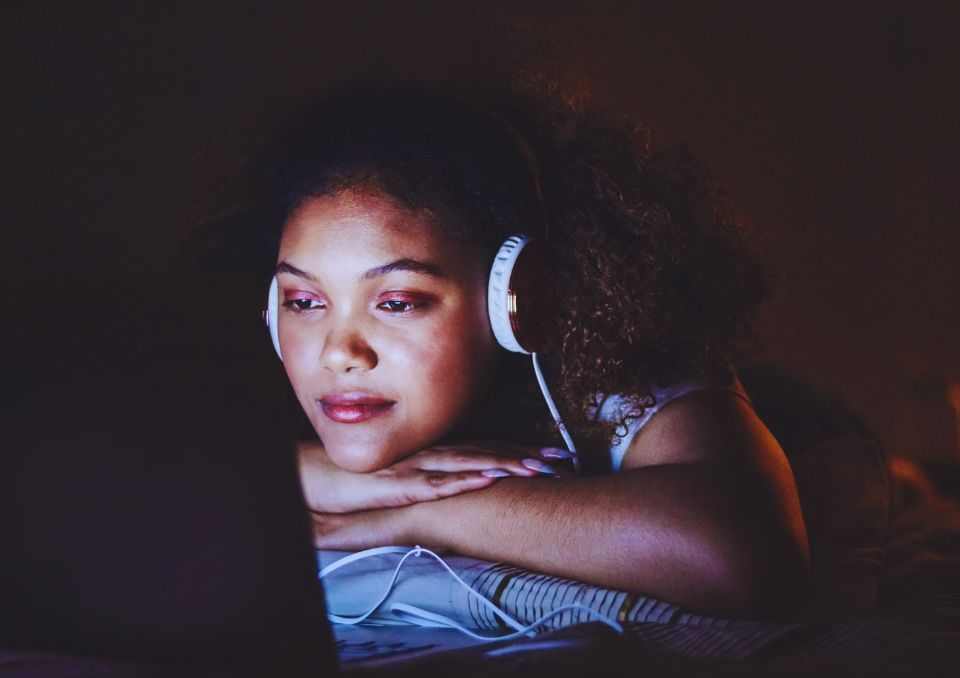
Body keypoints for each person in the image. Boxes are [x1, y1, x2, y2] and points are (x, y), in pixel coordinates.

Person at [240, 80, 808, 616]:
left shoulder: (620, 375)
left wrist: (426, 513)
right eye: (304, 301)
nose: (339, 354)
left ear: (511, 299)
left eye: (397, 302)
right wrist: (293, 471)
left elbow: (742, 556)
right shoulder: (270, 391)